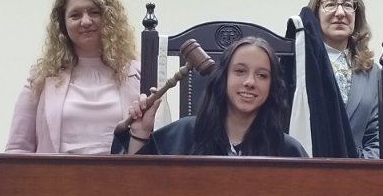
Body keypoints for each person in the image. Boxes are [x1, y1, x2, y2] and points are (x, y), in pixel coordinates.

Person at [6, 0, 141, 154]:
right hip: (54, 172)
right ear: (63, 25)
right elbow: (18, 148)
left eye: (94, 12)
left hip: (121, 172)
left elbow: (155, 145)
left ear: (109, 18)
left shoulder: (138, 73)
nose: (86, 21)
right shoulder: (42, 76)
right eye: (75, 15)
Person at [113, 37, 308, 157]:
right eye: (240, 71)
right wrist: (140, 133)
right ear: (224, 78)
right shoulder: (183, 134)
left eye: (262, 75)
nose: (250, 82)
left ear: (272, 86)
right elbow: (138, 187)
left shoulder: (288, 151)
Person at [307, 0, 380, 158]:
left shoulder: (373, 72)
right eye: (330, 4)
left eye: (347, 5)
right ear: (316, 13)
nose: (340, 13)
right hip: (306, 166)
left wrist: (356, 169)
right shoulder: (300, 65)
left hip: (359, 170)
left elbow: (377, 138)